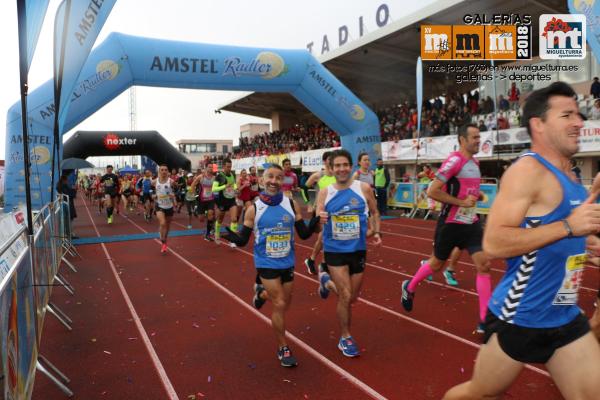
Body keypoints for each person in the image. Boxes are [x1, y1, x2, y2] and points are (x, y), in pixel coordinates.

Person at [444, 82, 600, 400]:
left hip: (564, 314)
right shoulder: (527, 171)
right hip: (521, 316)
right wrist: (569, 227)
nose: (579, 122)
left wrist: (588, 249)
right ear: (538, 125)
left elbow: (563, 242)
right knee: (481, 393)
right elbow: (495, 243)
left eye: (579, 115)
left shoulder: (572, 180)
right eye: (567, 115)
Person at [222, 164, 320, 367]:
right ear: (261, 180)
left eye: (278, 177)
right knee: (280, 303)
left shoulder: (292, 205)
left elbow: (303, 234)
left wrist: (315, 222)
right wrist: (230, 235)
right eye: (270, 177)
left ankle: (260, 294)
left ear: (283, 181)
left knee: (285, 303)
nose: (274, 181)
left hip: (287, 261)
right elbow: (242, 240)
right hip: (265, 262)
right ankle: (283, 347)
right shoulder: (253, 209)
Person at [401, 124, 492, 332]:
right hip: (450, 224)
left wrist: (476, 196)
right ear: (462, 139)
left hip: (471, 224)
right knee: (436, 265)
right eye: (474, 137)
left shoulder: (475, 162)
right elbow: (432, 191)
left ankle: (485, 319)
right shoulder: (454, 161)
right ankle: (410, 286)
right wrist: (461, 203)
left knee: (484, 265)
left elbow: (466, 191)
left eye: (479, 137)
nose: (479, 140)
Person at [316, 149, 381, 357]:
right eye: (337, 166)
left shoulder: (363, 188)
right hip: (334, 250)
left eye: (345, 165)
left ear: (351, 166)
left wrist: (376, 231)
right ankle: (345, 337)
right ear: (331, 168)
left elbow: (375, 211)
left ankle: (325, 281)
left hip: (358, 249)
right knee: (344, 295)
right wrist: (321, 217)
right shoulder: (326, 192)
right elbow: (318, 214)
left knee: (352, 298)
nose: (342, 169)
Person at [303, 151, 336, 275]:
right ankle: (322, 263)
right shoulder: (318, 175)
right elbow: (304, 188)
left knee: (327, 238)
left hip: (335, 210)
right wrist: (308, 203)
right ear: (324, 161)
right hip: (321, 210)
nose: (332, 160)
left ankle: (313, 260)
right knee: (323, 236)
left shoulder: (338, 175)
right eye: (329, 159)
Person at [212, 159, 238, 243]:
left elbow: (233, 184)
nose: (229, 168)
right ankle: (217, 233)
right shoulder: (219, 176)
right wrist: (224, 186)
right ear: (223, 166)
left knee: (234, 219)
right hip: (222, 201)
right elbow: (214, 189)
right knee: (220, 220)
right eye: (228, 166)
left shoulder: (232, 174)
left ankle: (232, 239)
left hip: (231, 200)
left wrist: (236, 188)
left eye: (230, 166)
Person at [153, 165, 176, 254]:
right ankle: (163, 241)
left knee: (167, 226)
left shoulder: (171, 181)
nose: (164, 171)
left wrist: (173, 195)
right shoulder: (155, 181)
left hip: (169, 206)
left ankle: (164, 240)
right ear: (159, 171)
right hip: (159, 206)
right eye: (162, 170)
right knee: (163, 223)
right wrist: (153, 195)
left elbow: (177, 190)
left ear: (167, 171)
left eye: (165, 170)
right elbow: (150, 190)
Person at [195, 166, 217, 241]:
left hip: (210, 199)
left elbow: (218, 186)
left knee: (210, 215)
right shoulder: (201, 177)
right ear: (206, 168)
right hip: (202, 200)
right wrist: (192, 193)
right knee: (201, 219)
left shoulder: (214, 178)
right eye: (209, 167)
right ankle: (196, 210)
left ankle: (207, 234)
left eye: (211, 167)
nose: (210, 169)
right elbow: (193, 184)